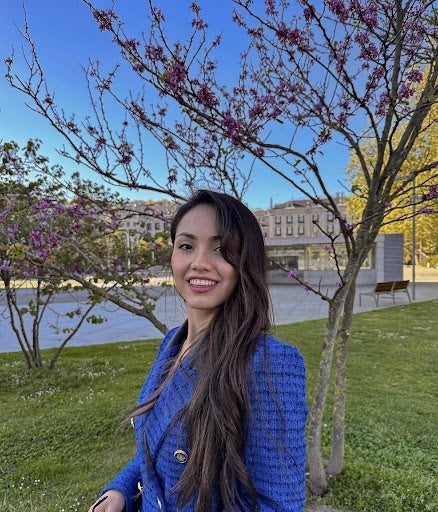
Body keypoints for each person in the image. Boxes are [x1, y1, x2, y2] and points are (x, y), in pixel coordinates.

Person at [88, 190, 308, 512]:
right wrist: (120, 491)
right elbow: (152, 452)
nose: (200, 263)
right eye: (187, 246)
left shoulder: (270, 364)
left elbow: (275, 505)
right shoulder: (171, 345)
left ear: (245, 262)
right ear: (174, 256)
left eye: (221, 249)